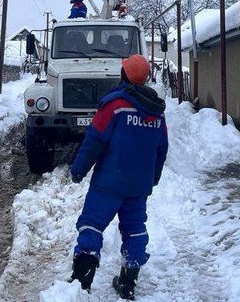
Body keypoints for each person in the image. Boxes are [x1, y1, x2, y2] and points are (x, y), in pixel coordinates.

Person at [69, 54, 168, 300]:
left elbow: (95, 140)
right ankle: (127, 283)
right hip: (138, 186)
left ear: (123, 74)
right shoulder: (157, 112)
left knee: (91, 224)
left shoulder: (115, 105)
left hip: (108, 183)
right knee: (135, 230)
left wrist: (79, 170)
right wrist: (152, 178)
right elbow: (161, 149)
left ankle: (81, 284)